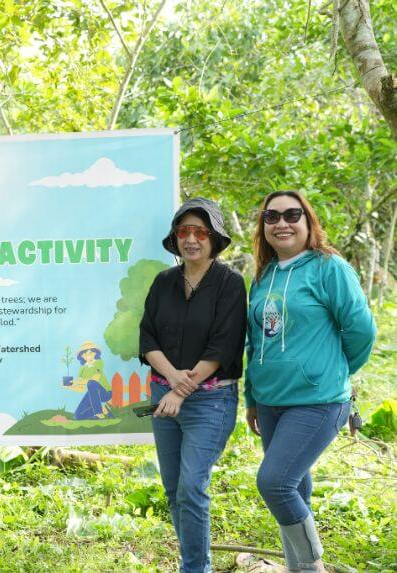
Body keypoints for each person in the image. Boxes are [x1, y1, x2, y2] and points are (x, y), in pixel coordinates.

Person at [245, 190, 376, 573]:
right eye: (272, 216)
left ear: (308, 222)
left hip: (317, 401)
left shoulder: (328, 268)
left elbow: (361, 330)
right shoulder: (264, 275)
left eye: (291, 215)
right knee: (296, 486)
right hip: (270, 402)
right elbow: (256, 342)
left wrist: (333, 373)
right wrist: (252, 398)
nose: (282, 223)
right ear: (263, 226)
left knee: (275, 483)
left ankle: (311, 566)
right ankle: (297, 568)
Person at [139, 198, 247, 573]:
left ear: (214, 239)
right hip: (162, 396)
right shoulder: (164, 281)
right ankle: (194, 561)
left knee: (191, 489)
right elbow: (147, 337)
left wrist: (181, 390)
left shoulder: (230, 283)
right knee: (173, 491)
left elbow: (224, 344)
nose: (191, 239)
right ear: (175, 238)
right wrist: (170, 378)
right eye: (184, 231)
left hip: (211, 401)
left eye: (200, 232)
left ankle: (195, 568)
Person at [66, 340, 111, 420]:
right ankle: (103, 410)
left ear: (95, 353)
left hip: (104, 393)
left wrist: (78, 381)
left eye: (90, 352)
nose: (88, 355)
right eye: (85, 353)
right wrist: (71, 386)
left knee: (91, 383)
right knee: (76, 417)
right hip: (92, 393)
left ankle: (99, 413)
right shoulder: (83, 368)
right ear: (82, 356)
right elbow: (81, 387)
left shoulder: (98, 363)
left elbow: (94, 380)